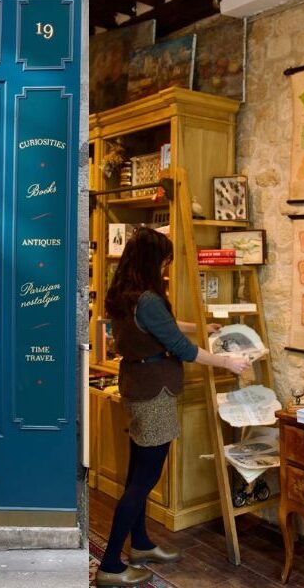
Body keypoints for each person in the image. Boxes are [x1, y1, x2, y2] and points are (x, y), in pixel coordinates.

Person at [96, 227, 252, 587]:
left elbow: (162, 328)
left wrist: (196, 326)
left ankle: (142, 545)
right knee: (144, 481)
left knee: (138, 473)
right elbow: (180, 348)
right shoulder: (149, 298)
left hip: (136, 386)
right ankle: (110, 565)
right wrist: (227, 362)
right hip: (155, 394)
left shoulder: (124, 294)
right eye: (165, 260)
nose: (167, 267)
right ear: (153, 260)